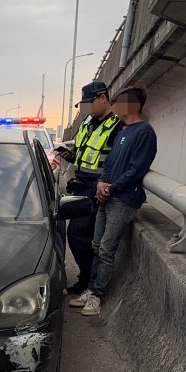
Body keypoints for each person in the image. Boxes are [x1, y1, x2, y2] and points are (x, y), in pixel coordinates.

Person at [70, 86, 157, 317]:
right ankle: (90, 289)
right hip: (106, 195)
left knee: (107, 249)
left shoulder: (144, 132)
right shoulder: (124, 130)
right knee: (96, 245)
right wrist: (102, 183)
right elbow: (109, 164)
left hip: (123, 199)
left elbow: (136, 170)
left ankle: (97, 296)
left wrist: (110, 187)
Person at [64, 81, 121, 294]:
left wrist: (105, 186)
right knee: (78, 235)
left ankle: (89, 281)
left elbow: (116, 160)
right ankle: (86, 278)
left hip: (96, 189)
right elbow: (82, 152)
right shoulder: (88, 122)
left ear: (103, 98)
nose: (86, 109)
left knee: (80, 235)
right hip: (80, 185)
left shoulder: (116, 125)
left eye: (89, 103)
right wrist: (69, 156)